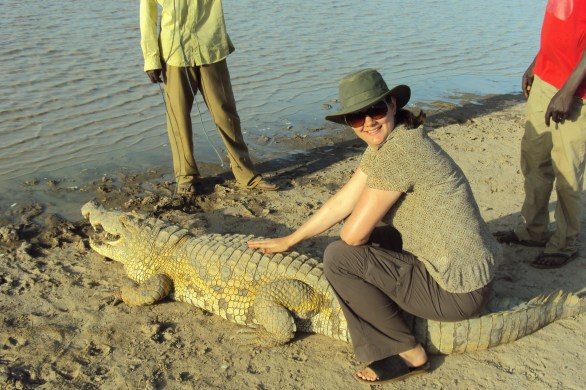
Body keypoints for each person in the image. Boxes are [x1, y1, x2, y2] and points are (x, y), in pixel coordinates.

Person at [248, 69, 501, 385]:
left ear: (392, 104)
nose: (368, 122)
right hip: (475, 274)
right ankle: (397, 315)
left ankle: (409, 354)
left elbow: (351, 235)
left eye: (376, 110)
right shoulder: (398, 138)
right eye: (356, 117)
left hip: (458, 292)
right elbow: (344, 199)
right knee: (374, 230)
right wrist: (292, 238)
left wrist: (360, 221)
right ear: (348, 123)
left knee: (339, 257)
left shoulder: (400, 152)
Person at [139, 0, 278, 196]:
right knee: (178, 119)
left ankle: (247, 175)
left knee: (226, 114)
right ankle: (185, 177)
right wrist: (151, 58)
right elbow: (148, 17)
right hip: (174, 55)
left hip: (211, 48)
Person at [494, 1, 586, 268]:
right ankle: (533, 231)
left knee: (567, 169)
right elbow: (558, 28)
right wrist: (536, 63)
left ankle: (564, 243)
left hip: (576, 91)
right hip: (546, 78)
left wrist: (568, 91)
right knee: (534, 159)